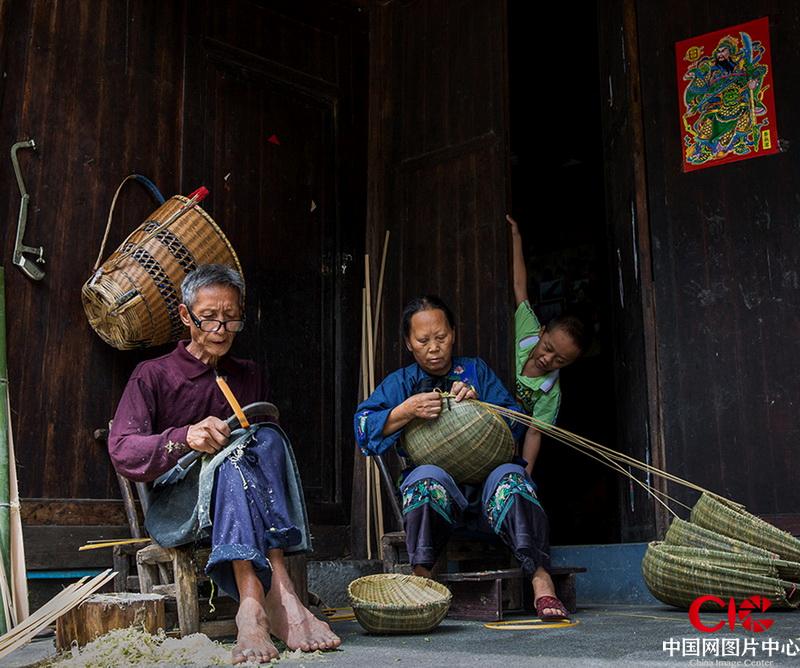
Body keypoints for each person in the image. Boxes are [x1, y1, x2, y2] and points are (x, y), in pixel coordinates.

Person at [108, 264, 340, 664]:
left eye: (231, 318)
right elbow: (123, 449)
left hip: (245, 500)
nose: (221, 328)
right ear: (186, 316)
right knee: (234, 456)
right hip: (182, 509)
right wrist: (184, 437)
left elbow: (264, 456)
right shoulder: (153, 375)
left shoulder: (248, 375)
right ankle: (281, 599)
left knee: (260, 441)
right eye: (209, 317)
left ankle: (253, 606)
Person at [354, 295, 570, 620]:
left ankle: (541, 579)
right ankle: (423, 581)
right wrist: (405, 410)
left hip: (487, 494)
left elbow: (515, 419)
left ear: (453, 333)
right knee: (425, 479)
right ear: (409, 343)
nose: (434, 347)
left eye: (441, 337)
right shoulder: (402, 383)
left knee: (513, 478)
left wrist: (481, 405)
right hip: (440, 501)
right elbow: (363, 428)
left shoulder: (475, 371)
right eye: (423, 340)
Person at [507, 214, 588, 475]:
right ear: (542, 332)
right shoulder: (527, 328)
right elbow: (520, 286)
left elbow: (533, 434)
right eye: (548, 347)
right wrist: (516, 237)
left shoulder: (550, 394)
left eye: (560, 360)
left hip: (508, 432)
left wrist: (525, 476)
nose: (548, 359)